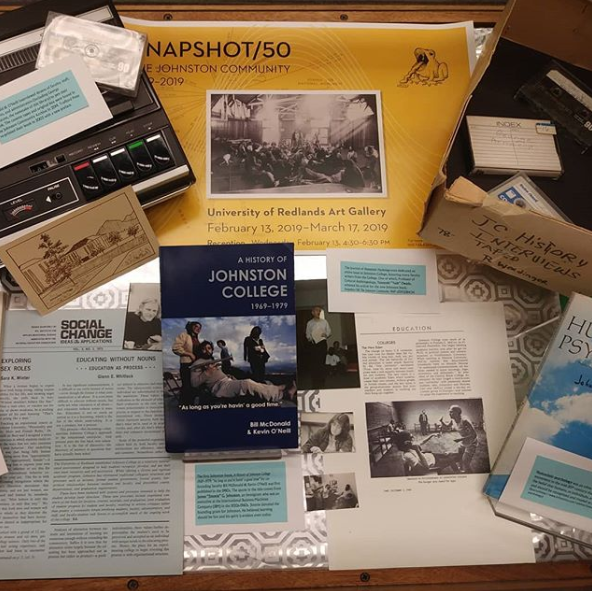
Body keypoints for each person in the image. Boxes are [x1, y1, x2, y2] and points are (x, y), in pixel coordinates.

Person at [192, 341, 295, 402]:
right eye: (204, 349)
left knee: (253, 382)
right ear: (200, 350)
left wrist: (226, 375)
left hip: (226, 381)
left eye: (209, 348)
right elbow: (194, 383)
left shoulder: (211, 360)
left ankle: (278, 388)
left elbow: (216, 374)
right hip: (219, 387)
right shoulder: (197, 363)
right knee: (247, 383)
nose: (207, 350)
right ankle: (282, 394)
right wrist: (207, 372)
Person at [393, 431, 460, 476]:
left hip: (431, 456)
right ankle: (458, 472)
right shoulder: (407, 455)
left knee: (450, 454)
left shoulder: (410, 446)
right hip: (433, 461)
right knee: (451, 459)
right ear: (406, 442)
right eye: (411, 437)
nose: (413, 438)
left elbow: (422, 441)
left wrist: (432, 435)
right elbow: (425, 468)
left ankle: (458, 463)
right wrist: (417, 450)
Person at [173, 321, 202, 399]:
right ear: (191, 327)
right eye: (196, 326)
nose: (198, 329)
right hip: (186, 365)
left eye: (200, 328)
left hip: (196, 366)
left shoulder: (196, 339)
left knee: (194, 386)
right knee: (186, 387)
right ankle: (184, 404)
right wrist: (189, 354)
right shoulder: (184, 335)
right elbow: (176, 348)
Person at [306, 306, 331, 388]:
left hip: (322, 344)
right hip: (313, 345)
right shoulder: (309, 323)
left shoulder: (324, 322)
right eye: (317, 310)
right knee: (314, 363)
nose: (318, 312)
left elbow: (329, 332)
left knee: (321, 362)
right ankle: (315, 382)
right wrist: (311, 338)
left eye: (319, 311)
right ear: (312, 312)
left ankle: (322, 382)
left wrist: (325, 334)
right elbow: (307, 334)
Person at [449, 405, 477, 473]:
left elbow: (474, 435)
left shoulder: (465, 421)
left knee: (465, 462)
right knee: (459, 457)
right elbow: (447, 426)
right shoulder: (453, 420)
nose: (449, 413)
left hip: (471, 443)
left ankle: (470, 475)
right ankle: (462, 470)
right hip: (463, 442)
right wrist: (441, 421)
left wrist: (460, 439)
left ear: (457, 412)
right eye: (449, 412)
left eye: (451, 412)